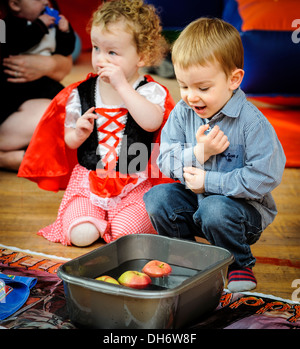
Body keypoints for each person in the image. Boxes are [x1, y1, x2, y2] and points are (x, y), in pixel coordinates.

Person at [143, 18, 286, 292]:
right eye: (184, 86)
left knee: (215, 208)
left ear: (234, 80)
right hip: (196, 204)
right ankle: (187, 260)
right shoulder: (182, 113)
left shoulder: (251, 123)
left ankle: (238, 263)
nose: (191, 97)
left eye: (203, 88)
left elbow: (266, 176)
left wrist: (209, 182)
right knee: (157, 197)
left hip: (241, 215)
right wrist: (199, 152)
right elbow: (165, 161)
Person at [18, 0, 175, 247]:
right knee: (81, 236)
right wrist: (78, 134)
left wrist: (122, 86)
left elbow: (152, 123)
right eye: (96, 48)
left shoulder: (150, 92)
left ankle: (117, 223)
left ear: (141, 56)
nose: (101, 59)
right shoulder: (80, 93)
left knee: (127, 236)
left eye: (112, 52)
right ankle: (96, 220)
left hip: (134, 184)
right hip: (88, 183)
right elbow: (68, 141)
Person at [0, 0, 75, 171]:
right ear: (14, 5)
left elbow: (65, 53)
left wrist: (65, 31)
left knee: (66, 104)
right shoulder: (8, 25)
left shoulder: (50, 19)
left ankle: (30, 152)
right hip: (13, 86)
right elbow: (17, 42)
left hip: (41, 84)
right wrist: (40, 25)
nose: (45, 1)